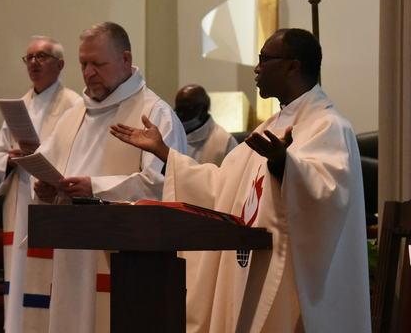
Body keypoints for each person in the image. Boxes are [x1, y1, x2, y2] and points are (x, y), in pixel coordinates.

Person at [110, 28, 371, 332]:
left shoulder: (328, 126)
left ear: (292, 66)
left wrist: (284, 165)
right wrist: (166, 154)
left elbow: (328, 198)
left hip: (292, 278)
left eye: (264, 59)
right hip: (252, 265)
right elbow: (222, 186)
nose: (257, 69)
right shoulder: (271, 127)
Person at [33, 22, 186, 333]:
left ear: (125, 60)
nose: (88, 73)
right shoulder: (73, 115)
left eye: (98, 64)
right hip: (73, 255)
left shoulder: (154, 114)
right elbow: (50, 168)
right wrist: (48, 193)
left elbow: (164, 187)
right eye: (83, 64)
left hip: (125, 260)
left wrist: (94, 188)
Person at [0, 35, 80, 333]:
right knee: (19, 277)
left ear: (60, 64)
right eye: (29, 58)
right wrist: (11, 160)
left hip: (52, 201)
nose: (34, 64)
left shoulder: (75, 104)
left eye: (42, 57)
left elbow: (78, 152)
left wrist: (52, 174)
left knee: (48, 280)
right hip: (20, 201)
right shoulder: (18, 106)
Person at [175, 84, 237, 166]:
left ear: (203, 109)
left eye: (187, 109)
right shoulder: (171, 134)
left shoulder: (226, 142)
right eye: (178, 110)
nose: (181, 114)